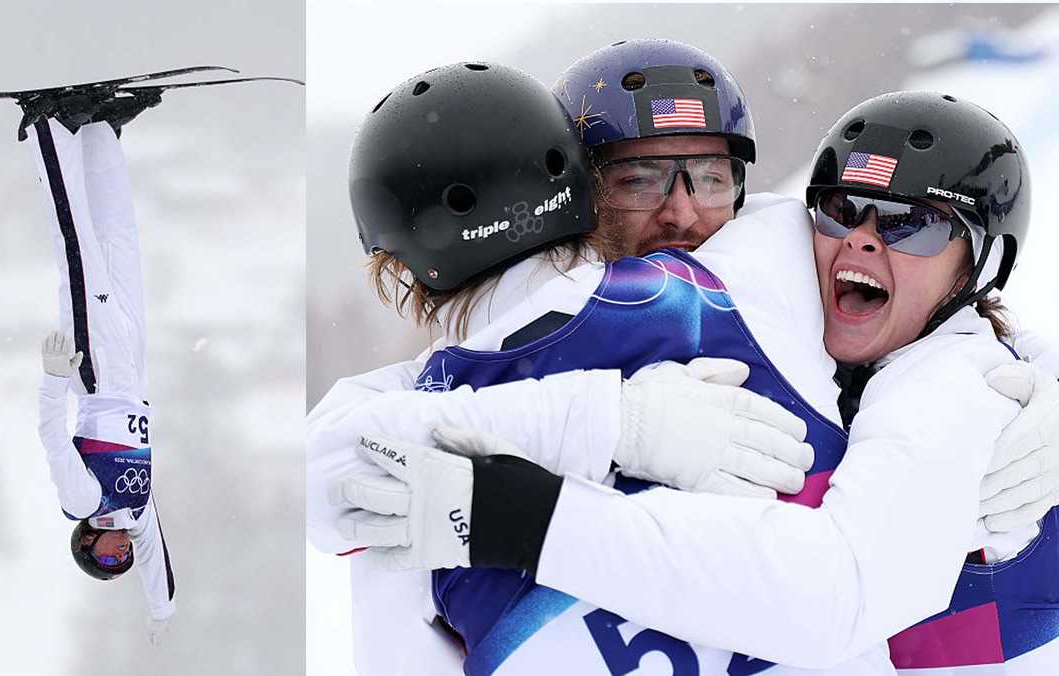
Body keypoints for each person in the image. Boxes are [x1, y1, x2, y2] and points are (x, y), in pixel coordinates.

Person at [310, 43, 1059, 674]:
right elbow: (331, 476)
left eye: (709, 178)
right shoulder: (487, 360)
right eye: (638, 180)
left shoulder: (781, 268)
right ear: (577, 194)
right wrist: (606, 422)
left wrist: (1047, 381)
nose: (683, 212)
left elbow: (949, 315)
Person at [27, 100, 176, 644]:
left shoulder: (83, 503)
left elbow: (51, 437)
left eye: (109, 561)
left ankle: (49, 129)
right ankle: (98, 135)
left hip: (97, 374)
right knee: (120, 245)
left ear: (87, 543)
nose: (123, 556)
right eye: (123, 564)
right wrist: (161, 612)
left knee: (80, 251)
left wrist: (53, 378)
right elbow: (157, 560)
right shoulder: (136, 514)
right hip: (134, 376)